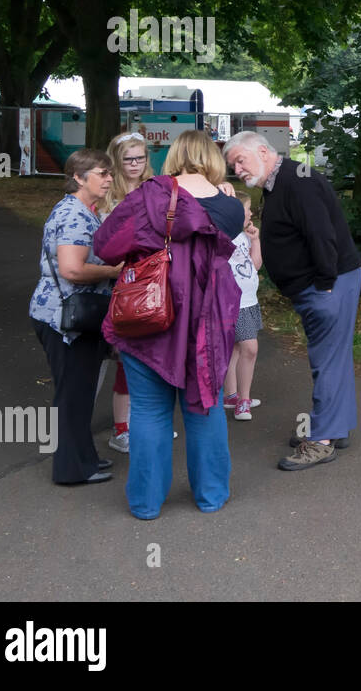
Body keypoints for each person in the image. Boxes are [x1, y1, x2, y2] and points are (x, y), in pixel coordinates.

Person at [94, 130, 243, 519]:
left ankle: (145, 504)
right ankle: (210, 495)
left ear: (172, 156)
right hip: (207, 323)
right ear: (212, 159)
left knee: (148, 410)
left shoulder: (147, 196)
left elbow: (105, 247)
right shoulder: (229, 206)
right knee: (205, 406)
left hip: (149, 316)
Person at [223, 131, 361, 471]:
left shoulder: (296, 180)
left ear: (262, 151)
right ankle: (334, 426)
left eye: (241, 161)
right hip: (323, 283)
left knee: (326, 360)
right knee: (334, 358)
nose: (238, 170)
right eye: (233, 166)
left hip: (326, 284)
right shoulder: (280, 181)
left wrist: (326, 283)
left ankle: (321, 441)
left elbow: (321, 233)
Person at [29, 148, 123, 485]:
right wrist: (115, 270)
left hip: (71, 315)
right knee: (72, 395)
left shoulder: (83, 210)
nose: (109, 178)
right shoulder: (74, 215)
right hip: (64, 318)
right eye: (102, 173)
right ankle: (71, 470)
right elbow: (72, 269)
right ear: (79, 178)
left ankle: (86, 459)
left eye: (109, 172)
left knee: (80, 392)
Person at [99, 132, 154, 454]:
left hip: (151, 284)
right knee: (125, 358)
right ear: (117, 161)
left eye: (140, 158)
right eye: (128, 159)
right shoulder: (107, 195)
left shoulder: (156, 188)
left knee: (149, 357)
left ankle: (146, 423)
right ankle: (122, 430)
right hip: (118, 285)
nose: (135, 164)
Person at [223, 193, 263, 421]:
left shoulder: (246, 236)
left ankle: (232, 395)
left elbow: (255, 265)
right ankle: (243, 402)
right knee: (250, 348)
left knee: (237, 349)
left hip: (249, 300)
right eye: (247, 209)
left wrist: (256, 241)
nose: (251, 213)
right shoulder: (223, 236)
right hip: (232, 302)